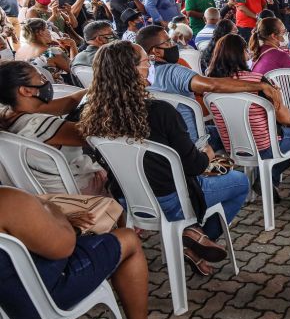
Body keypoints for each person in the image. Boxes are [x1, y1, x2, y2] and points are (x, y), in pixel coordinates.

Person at [79, 41, 249, 276]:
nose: (150, 66)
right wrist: (207, 155)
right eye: (145, 62)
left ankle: (191, 235)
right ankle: (196, 238)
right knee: (241, 182)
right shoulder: (161, 111)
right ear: (132, 70)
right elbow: (195, 166)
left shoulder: (91, 113)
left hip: (129, 200)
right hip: (174, 200)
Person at [0, 187, 167, 319]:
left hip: (8, 307)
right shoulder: (8, 200)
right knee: (129, 238)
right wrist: (53, 211)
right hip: (41, 300)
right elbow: (65, 246)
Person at [206, 34, 290, 200]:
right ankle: (267, 178)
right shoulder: (258, 80)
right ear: (242, 53)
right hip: (264, 147)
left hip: (232, 147)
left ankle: (264, 179)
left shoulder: (210, 84)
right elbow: (284, 118)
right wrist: (278, 96)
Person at [135, 25, 277, 141]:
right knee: (237, 132)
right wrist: (260, 85)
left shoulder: (136, 78)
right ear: (156, 51)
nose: (173, 45)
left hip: (165, 144)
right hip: (193, 141)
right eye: (168, 42)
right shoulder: (173, 72)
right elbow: (212, 85)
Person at [0, 60, 109, 195]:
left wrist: (103, 85)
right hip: (74, 191)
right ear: (26, 90)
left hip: (37, 190)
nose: (46, 81)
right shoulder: (38, 125)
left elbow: (71, 101)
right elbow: (100, 135)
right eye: (41, 78)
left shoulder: (6, 113)